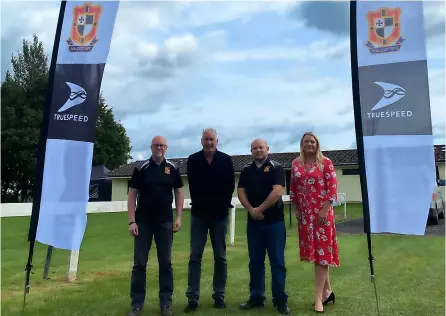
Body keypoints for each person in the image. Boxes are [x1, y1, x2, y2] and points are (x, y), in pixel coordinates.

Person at [127, 136, 184, 316]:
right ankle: (137, 305)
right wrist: (131, 220)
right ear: (151, 147)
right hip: (143, 222)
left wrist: (179, 217)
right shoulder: (140, 168)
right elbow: (132, 195)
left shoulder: (173, 168)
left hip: (165, 222)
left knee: (166, 263)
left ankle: (166, 304)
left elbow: (179, 192)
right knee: (139, 264)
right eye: (156, 145)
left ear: (166, 147)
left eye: (162, 145)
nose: (159, 147)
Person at [184, 128, 235, 313]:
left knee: (220, 257)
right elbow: (194, 185)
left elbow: (230, 185)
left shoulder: (226, 160)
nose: (209, 142)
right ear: (201, 141)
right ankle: (192, 297)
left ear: (217, 140)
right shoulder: (193, 160)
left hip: (219, 216)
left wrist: (221, 205)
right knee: (195, 256)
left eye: (212, 139)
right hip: (199, 215)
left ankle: (219, 295)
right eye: (206, 139)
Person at [237, 138, 290, 315]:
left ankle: (280, 300)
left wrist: (259, 209)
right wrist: (251, 210)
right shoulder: (246, 169)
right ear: (251, 150)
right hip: (254, 225)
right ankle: (256, 298)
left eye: (261, 147)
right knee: (255, 263)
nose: (258, 150)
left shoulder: (276, 167)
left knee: (277, 263)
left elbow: (277, 192)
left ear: (267, 149)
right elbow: (241, 191)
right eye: (254, 148)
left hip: (274, 223)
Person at [289, 132, 340, 314]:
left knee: (322, 254)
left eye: (312, 141)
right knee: (317, 255)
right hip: (305, 216)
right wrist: (296, 208)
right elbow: (293, 188)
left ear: (317, 144)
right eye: (306, 142)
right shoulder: (296, 164)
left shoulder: (326, 163)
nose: (309, 144)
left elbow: (333, 187)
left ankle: (318, 298)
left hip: (322, 215)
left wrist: (325, 209)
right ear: (302, 144)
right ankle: (328, 292)